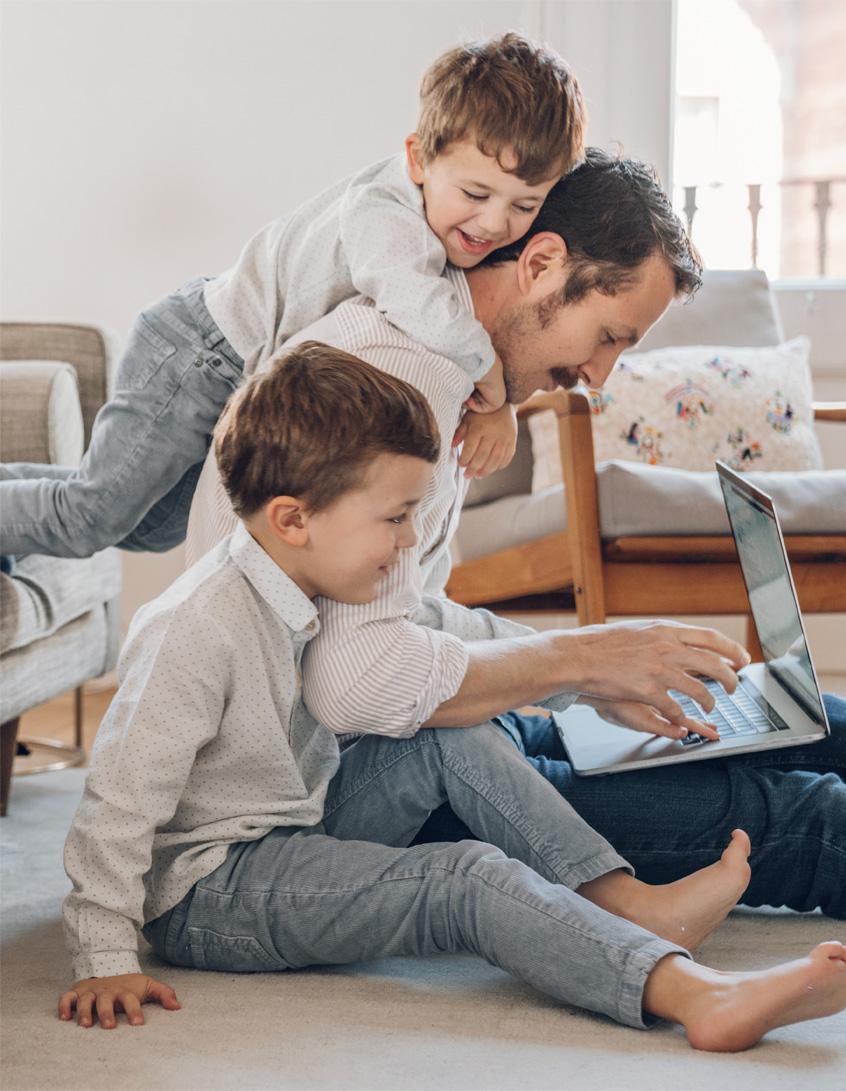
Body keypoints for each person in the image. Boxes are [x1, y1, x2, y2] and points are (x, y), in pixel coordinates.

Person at [59, 345, 846, 1049]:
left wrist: (590, 666)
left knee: (446, 735)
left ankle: (623, 900)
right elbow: (117, 804)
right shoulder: (195, 628)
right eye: (396, 517)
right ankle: (697, 995)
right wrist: (103, 956)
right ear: (293, 519)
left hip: (303, 812)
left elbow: (441, 640)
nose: (409, 541)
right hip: (212, 886)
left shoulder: (315, 575)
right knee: (461, 875)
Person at [186, 148, 846, 918]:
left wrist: (592, 675)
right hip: (367, 781)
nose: (599, 377)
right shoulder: (397, 382)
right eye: (607, 335)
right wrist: (584, 660)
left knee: (809, 721)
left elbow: (415, 618)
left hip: (426, 733)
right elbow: (355, 680)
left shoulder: (451, 375)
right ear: (542, 263)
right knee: (802, 816)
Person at [0, 31, 585, 562]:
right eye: (476, 193)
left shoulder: (450, 229)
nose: (494, 222)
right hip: (195, 353)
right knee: (89, 518)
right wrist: (494, 388)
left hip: (228, 373)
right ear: (417, 159)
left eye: (524, 206)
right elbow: (414, 298)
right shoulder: (384, 215)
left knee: (151, 527)